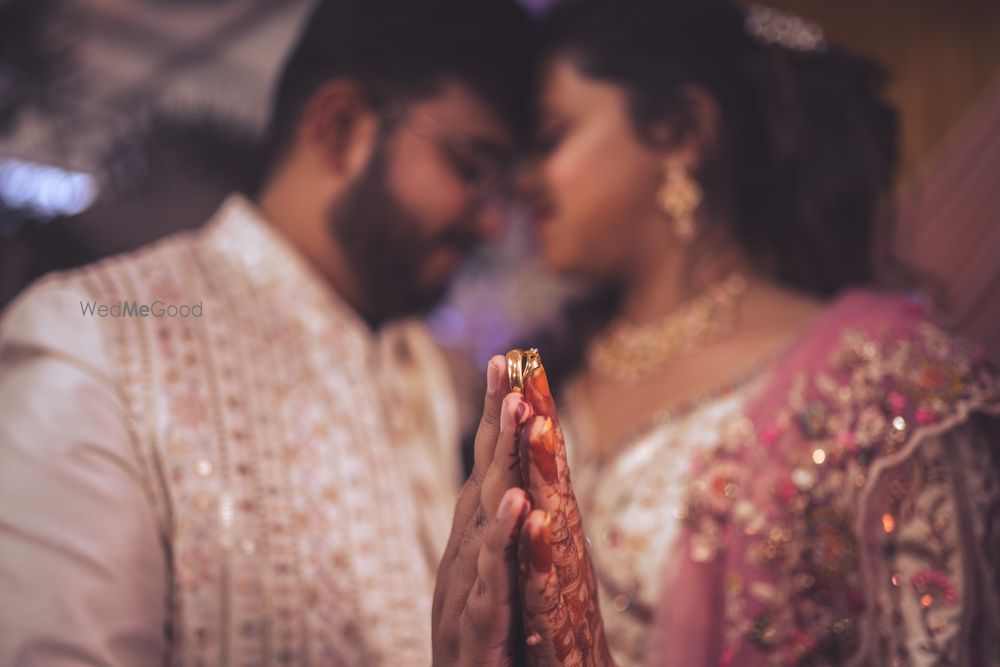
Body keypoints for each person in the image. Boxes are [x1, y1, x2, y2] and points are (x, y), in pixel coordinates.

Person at [0, 0, 535, 663]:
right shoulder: (93, 340)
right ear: (341, 129)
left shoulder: (417, 366)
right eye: (472, 166)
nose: (492, 224)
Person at [502, 0, 1000, 665]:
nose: (523, 180)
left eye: (549, 138)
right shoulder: (535, 373)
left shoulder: (883, 374)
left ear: (680, 132)